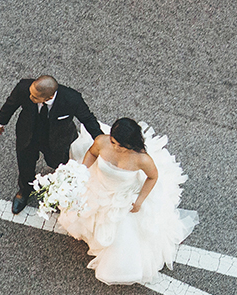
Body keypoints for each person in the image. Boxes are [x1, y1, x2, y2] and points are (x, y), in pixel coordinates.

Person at [55, 118, 197, 284]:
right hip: (98, 185)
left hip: (123, 196)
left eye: (121, 145)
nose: (116, 147)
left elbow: (152, 177)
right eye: (114, 142)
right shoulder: (102, 141)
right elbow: (92, 153)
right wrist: (81, 172)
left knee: (123, 238)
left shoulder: (142, 159)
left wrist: (140, 200)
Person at [0, 75, 101, 214]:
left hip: (58, 138)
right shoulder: (24, 88)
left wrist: (99, 140)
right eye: (30, 94)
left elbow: (88, 119)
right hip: (28, 133)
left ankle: (57, 194)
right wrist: (0, 122)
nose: (30, 97)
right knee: (25, 162)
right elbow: (11, 104)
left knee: (59, 165)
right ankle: (25, 190)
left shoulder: (71, 99)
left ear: (49, 97)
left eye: (35, 97)